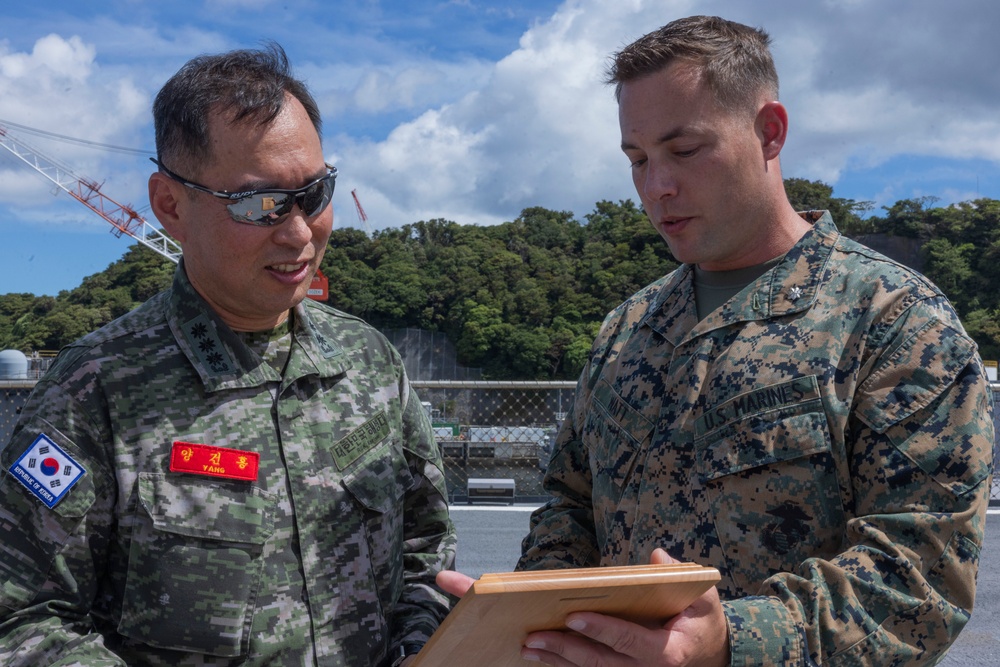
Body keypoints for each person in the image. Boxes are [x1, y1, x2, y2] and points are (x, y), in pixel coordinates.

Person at [438, 15, 995, 667]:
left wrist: (731, 639)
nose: (656, 187)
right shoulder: (629, 328)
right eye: (638, 159)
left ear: (769, 132)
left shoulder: (893, 320)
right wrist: (523, 611)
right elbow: (570, 503)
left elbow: (921, 579)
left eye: (685, 150)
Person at [0, 44, 455, 666]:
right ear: (170, 206)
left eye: (315, 193)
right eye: (260, 203)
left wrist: (421, 649)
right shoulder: (94, 390)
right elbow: (21, 619)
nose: (299, 232)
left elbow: (425, 550)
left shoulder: (368, 361)